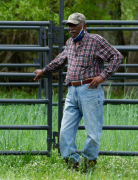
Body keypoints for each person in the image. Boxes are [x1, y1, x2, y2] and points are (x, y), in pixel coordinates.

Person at [34, 13, 123, 171]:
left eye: (75, 25)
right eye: (69, 25)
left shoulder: (96, 41)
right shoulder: (69, 42)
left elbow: (116, 56)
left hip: (90, 90)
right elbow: (61, 59)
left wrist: (102, 76)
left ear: (84, 26)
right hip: (72, 91)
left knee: (93, 132)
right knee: (64, 131)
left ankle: (88, 163)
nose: (71, 28)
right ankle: (71, 163)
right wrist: (44, 70)